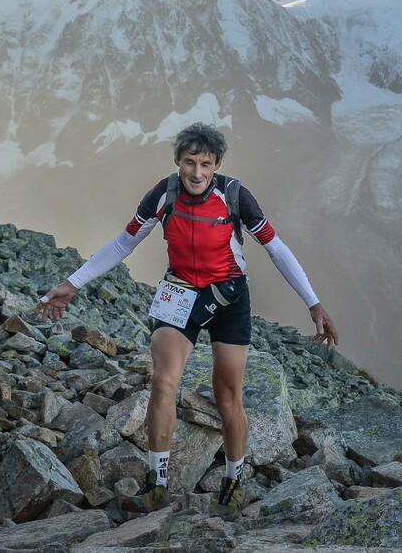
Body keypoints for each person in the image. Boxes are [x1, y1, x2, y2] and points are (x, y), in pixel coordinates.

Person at [37, 122, 338, 521]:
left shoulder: (234, 196)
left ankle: (232, 482)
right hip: (179, 293)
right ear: (178, 162)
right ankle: (156, 484)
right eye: (190, 162)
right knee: (163, 381)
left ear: (217, 165)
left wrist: (313, 302)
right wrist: (72, 283)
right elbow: (124, 241)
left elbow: (275, 248)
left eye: (206, 164)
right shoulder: (164, 194)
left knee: (227, 396)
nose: (197, 173)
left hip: (229, 296)